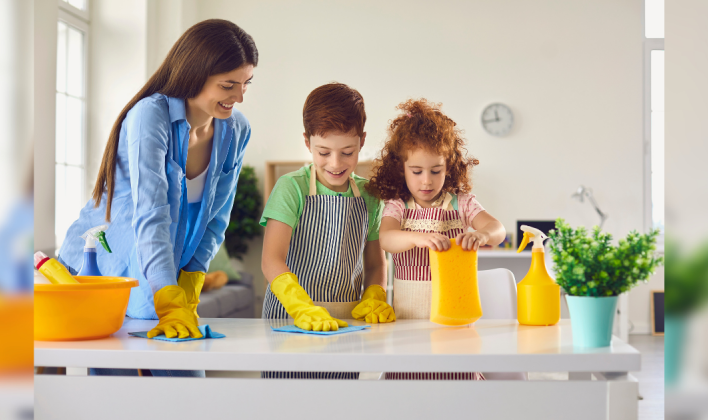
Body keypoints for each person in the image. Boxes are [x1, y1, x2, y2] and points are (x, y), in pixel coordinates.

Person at [56, 20, 257, 376]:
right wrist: (166, 293)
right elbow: (151, 213)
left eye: (246, 84)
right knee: (116, 397)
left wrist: (192, 279)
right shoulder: (150, 116)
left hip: (164, 266)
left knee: (184, 389)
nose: (239, 96)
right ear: (196, 73)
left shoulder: (235, 128)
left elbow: (218, 216)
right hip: (111, 271)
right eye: (228, 85)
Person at [367, 98, 506, 380]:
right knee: (411, 391)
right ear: (401, 168)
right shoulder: (398, 205)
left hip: (456, 327)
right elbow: (387, 239)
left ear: (449, 166)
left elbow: (498, 228)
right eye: (416, 172)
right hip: (408, 325)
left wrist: (482, 234)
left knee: (456, 388)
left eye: (436, 171)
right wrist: (418, 238)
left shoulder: (461, 203)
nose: (426, 181)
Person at [259, 83, 391, 379]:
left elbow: (374, 264)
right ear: (307, 142)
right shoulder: (291, 187)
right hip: (289, 319)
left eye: (347, 152)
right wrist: (301, 306)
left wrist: (374, 295)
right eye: (324, 152)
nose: (335, 163)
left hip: (346, 323)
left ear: (362, 141)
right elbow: (271, 260)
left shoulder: (369, 196)